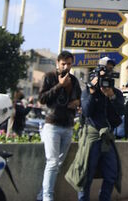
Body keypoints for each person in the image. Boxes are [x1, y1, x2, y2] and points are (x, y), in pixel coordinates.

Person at [66, 57, 124, 201]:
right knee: (86, 173)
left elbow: (121, 112)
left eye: (111, 69)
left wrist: (111, 96)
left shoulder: (115, 92)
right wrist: (92, 92)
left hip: (107, 137)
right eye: (106, 69)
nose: (109, 72)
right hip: (92, 137)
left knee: (112, 173)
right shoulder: (89, 90)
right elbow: (86, 111)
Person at [37, 50, 82, 201]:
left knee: (58, 164)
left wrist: (77, 103)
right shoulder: (49, 77)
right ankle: (47, 197)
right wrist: (59, 85)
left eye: (69, 64)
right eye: (63, 64)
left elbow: (79, 99)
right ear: (57, 63)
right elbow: (42, 99)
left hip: (68, 126)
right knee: (52, 162)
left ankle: (41, 195)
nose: (66, 67)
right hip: (52, 124)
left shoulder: (74, 81)